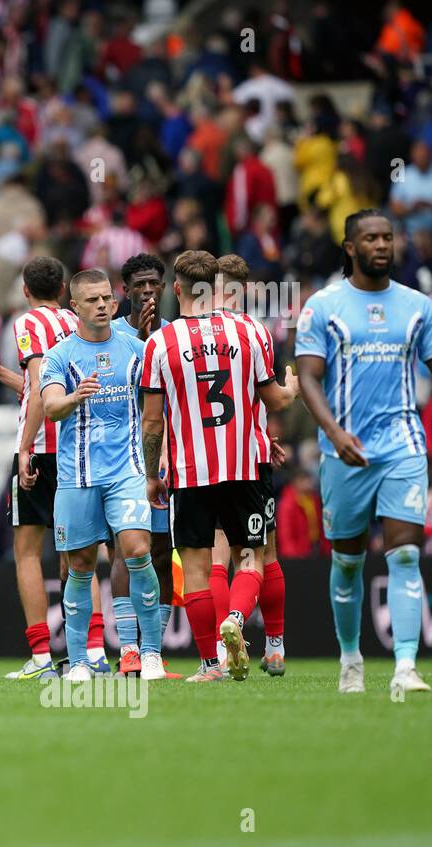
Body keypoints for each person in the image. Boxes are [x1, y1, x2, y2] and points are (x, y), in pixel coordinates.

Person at [295, 210, 432, 695]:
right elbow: (307, 378)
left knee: (405, 555)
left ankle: (405, 667)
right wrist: (335, 434)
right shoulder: (323, 306)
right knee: (347, 562)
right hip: (344, 453)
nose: (382, 245)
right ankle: (350, 659)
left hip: (403, 447)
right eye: (371, 238)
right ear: (350, 247)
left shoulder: (419, 307)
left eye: (387, 237)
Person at [140, 251, 299, 683]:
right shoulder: (251, 331)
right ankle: (237, 617)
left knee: (195, 566)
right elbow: (276, 401)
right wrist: (294, 387)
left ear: (177, 290)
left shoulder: (160, 342)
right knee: (251, 557)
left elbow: (152, 422)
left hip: (191, 473)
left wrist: (152, 474)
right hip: (245, 465)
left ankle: (211, 665)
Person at [40, 270, 167, 681]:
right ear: (74, 306)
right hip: (76, 477)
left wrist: (155, 463)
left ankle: (149, 653)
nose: (101, 305)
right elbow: (50, 406)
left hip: (126, 471)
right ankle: (78, 660)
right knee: (78, 564)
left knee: (136, 550)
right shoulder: (59, 355)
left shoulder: (137, 349)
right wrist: (75, 397)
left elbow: (154, 412)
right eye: (92, 299)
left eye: (107, 298)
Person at [7, 256, 106, 679]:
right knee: (80, 554)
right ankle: (96, 651)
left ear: (26, 290)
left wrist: (25, 447)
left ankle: (42, 657)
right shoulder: (76, 319)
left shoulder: (27, 324)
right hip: (80, 447)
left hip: (44, 444)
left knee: (28, 552)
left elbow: (36, 383)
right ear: (66, 288)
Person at [213, 254, 289, 676]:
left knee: (214, 558)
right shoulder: (255, 333)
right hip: (250, 457)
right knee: (261, 553)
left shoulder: (185, 334)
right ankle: (273, 645)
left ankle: (221, 655)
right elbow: (271, 397)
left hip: (201, 462)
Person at [108, 253, 177, 675]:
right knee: (125, 551)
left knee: (161, 553)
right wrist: (141, 343)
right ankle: (127, 650)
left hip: (165, 458)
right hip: (118, 460)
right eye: (140, 285)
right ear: (125, 290)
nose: (148, 291)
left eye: (155, 284)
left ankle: (153, 648)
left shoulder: (173, 337)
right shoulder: (109, 334)